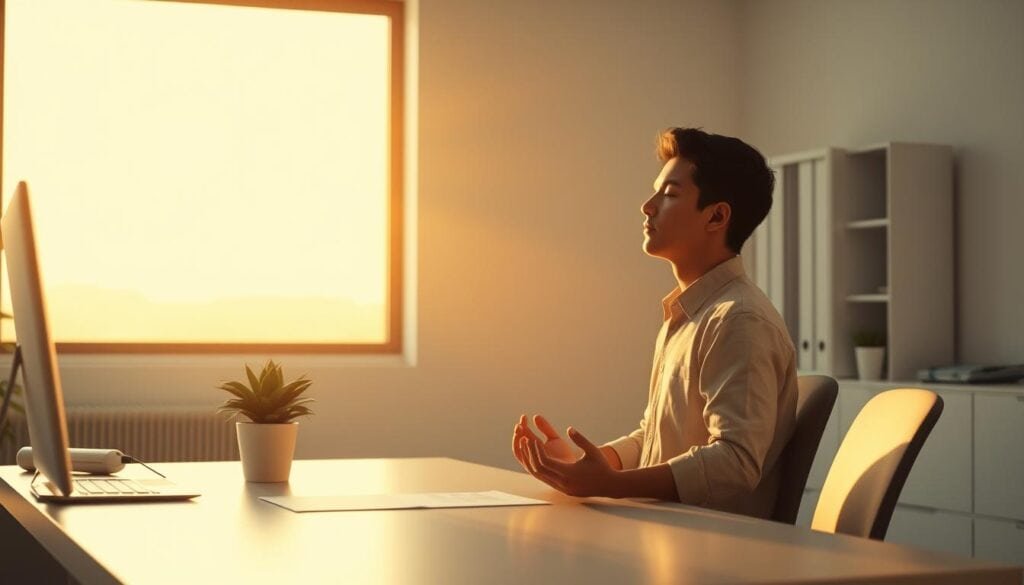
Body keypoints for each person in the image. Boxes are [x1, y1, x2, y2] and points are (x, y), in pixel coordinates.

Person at [511, 127, 798, 518]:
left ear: (716, 216)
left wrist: (610, 486)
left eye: (670, 194)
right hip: (664, 532)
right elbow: (655, 437)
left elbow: (735, 462)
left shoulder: (740, 320)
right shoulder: (690, 314)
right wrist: (587, 466)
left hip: (711, 545)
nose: (647, 207)